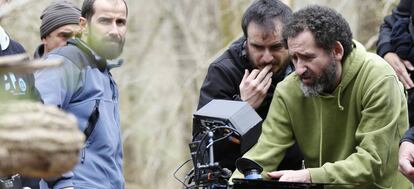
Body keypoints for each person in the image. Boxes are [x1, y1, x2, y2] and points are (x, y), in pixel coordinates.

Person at [231, 5, 411, 189]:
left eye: (308, 57)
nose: (299, 69)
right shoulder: (289, 90)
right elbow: (263, 153)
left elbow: (373, 162)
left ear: (337, 51)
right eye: (294, 58)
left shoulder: (378, 78)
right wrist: (234, 184)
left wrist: (310, 175)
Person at [196, 0, 302, 173]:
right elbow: (205, 150)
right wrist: (242, 108)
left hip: (294, 175)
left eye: (276, 47)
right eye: (258, 47)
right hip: (240, 177)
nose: (267, 58)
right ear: (246, 41)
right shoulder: (223, 72)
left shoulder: (304, 65)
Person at [34, 0, 127, 188]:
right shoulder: (65, 63)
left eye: (120, 22)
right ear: (84, 25)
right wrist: (63, 182)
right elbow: (37, 123)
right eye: (105, 21)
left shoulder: (103, 73)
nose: (114, 31)